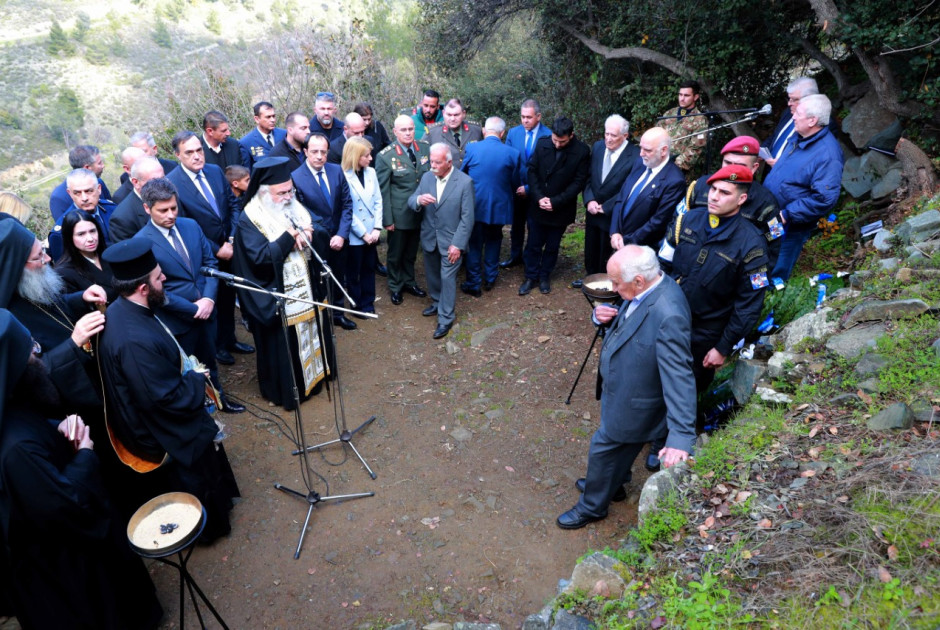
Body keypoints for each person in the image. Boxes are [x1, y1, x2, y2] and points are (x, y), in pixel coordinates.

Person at [0, 309, 163, 630]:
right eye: (31, 348)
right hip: (65, 568)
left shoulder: (15, 404)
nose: (38, 352)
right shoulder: (16, 447)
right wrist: (84, 453)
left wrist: (56, 431)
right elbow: (65, 507)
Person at [98, 238, 240, 542]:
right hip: (165, 431)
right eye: (159, 276)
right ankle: (206, 529)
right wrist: (197, 379)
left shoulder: (131, 309)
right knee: (197, 480)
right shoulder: (132, 341)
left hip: (169, 415)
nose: (164, 279)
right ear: (143, 288)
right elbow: (162, 398)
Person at [557, 245, 696, 529]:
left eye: (616, 283)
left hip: (635, 404)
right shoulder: (649, 287)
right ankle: (614, 484)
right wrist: (602, 317)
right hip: (622, 392)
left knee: (603, 448)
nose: (612, 287)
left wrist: (681, 435)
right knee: (621, 449)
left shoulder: (669, 314)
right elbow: (633, 316)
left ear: (638, 281)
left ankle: (592, 506)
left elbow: (680, 376)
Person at [651, 164, 770, 470]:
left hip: (705, 332)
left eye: (725, 192)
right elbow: (663, 263)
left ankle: (665, 440)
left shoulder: (751, 244)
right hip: (668, 316)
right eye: (714, 189)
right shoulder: (687, 219)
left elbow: (749, 306)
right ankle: (648, 426)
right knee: (652, 375)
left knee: (686, 386)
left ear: (741, 199)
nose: (714, 196)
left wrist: (723, 347)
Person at [231, 157, 334, 410]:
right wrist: (289, 237)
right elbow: (260, 258)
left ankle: (317, 378)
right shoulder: (250, 218)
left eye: (291, 190)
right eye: (282, 192)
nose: (289, 196)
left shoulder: (294, 205)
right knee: (284, 348)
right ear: (265, 193)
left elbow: (319, 224)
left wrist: (311, 231)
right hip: (278, 298)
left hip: (308, 289)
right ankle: (289, 391)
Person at [135, 177, 245, 414]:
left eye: (173, 208)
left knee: (210, 362)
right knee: (187, 371)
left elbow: (210, 263)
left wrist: (208, 300)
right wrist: (193, 308)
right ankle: (197, 411)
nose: (170, 215)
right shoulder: (141, 243)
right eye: (163, 210)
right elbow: (155, 292)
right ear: (147, 209)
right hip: (178, 320)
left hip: (207, 311)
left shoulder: (191, 226)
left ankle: (219, 399)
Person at [166, 130, 254, 365]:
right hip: (205, 255)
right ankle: (217, 347)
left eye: (199, 150)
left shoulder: (215, 171)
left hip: (231, 247)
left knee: (229, 298)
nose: (197, 156)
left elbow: (233, 205)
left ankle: (230, 339)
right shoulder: (173, 184)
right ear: (178, 155)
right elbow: (183, 226)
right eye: (189, 152)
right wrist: (216, 249)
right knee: (212, 300)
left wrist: (233, 238)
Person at [763, 94, 844, 281]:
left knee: (776, 267)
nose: (793, 117)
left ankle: (771, 306)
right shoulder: (799, 137)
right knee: (762, 259)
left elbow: (825, 198)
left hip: (788, 224)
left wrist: (788, 214)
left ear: (813, 120)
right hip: (771, 214)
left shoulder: (828, 154)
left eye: (798, 113)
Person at [680, 136, 782, 267]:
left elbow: (774, 243)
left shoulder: (766, 203)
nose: (732, 170)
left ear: (754, 167)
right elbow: (677, 222)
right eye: (727, 163)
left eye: (740, 166)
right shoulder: (700, 186)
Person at [407, 143, 475, 339]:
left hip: (452, 242)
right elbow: (412, 200)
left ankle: (445, 318)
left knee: (447, 278)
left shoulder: (464, 182)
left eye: (437, 162)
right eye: (431, 161)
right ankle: (437, 302)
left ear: (449, 162)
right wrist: (419, 200)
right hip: (429, 238)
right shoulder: (427, 178)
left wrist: (458, 245)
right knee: (432, 275)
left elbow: (467, 218)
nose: (432, 166)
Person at [292, 132, 357, 331]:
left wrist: (341, 234)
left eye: (323, 152)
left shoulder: (336, 171)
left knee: (338, 276)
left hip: (339, 236)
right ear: (305, 152)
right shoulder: (295, 177)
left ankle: (338, 313)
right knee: (317, 278)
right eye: (314, 152)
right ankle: (320, 316)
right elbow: (301, 211)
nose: (319, 156)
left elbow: (347, 204)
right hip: (316, 239)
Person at [520, 115, 590, 295]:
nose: (557, 144)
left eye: (562, 141)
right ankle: (530, 276)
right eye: (555, 140)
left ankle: (545, 276)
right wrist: (538, 197)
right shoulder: (543, 143)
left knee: (552, 246)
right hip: (538, 204)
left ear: (571, 135)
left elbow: (578, 182)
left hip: (561, 208)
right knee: (534, 243)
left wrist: (556, 201)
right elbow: (532, 171)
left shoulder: (582, 151)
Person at [460, 116, 522, 295]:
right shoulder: (512, 153)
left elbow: (462, 174)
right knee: (494, 241)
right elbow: (515, 182)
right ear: (502, 133)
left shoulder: (472, 148)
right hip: (499, 207)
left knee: (474, 244)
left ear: (484, 131)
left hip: (476, 206)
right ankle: (490, 278)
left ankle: (473, 283)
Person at [578, 114, 639, 286]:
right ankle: (590, 278)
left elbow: (629, 188)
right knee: (591, 247)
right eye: (606, 134)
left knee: (609, 251)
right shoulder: (597, 147)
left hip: (614, 213)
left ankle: (608, 282)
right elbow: (588, 177)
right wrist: (589, 200)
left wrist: (607, 207)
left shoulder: (634, 156)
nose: (608, 139)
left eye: (613, 135)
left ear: (625, 136)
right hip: (593, 210)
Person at [376, 115, 431, 306]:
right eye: (404, 130)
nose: (408, 133)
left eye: (410, 129)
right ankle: (395, 286)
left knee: (411, 252)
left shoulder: (424, 148)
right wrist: (387, 220)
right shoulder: (385, 156)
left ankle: (409, 282)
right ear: (395, 131)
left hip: (420, 212)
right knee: (395, 253)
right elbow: (383, 191)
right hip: (399, 214)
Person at [608, 127, 686, 251]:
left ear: (663, 151)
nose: (641, 153)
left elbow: (658, 222)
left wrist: (627, 241)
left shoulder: (674, 181)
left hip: (642, 249)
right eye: (641, 148)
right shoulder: (640, 163)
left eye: (647, 150)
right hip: (619, 241)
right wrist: (614, 231)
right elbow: (622, 197)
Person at [501, 99, 552, 269]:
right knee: (516, 225)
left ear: (538, 116)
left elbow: (548, 168)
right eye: (522, 117)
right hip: (515, 189)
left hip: (536, 191)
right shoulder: (513, 133)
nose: (525, 120)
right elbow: (507, 160)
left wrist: (529, 189)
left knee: (533, 226)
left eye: (529, 117)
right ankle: (515, 256)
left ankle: (531, 258)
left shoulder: (548, 135)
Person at [342, 136, 382, 317]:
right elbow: (347, 209)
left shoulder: (371, 172)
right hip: (355, 234)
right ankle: (356, 304)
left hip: (372, 231)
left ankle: (368, 301)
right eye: (366, 155)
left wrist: (377, 229)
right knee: (354, 271)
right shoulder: (343, 176)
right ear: (356, 156)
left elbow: (378, 201)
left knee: (369, 268)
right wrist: (364, 233)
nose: (370, 158)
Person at [48, 168, 117, 261]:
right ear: (70, 194)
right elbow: (64, 270)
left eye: (89, 191)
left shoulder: (112, 209)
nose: (84, 198)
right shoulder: (61, 233)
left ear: (99, 189)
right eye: (77, 193)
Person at [54, 210, 118, 302]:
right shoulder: (64, 273)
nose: (90, 239)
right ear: (69, 237)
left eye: (92, 231)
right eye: (81, 234)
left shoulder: (112, 251)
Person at [762, 77, 819, 168]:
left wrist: (785, 165)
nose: (789, 103)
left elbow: (813, 159)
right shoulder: (788, 113)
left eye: (794, 99)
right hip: (769, 172)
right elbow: (776, 136)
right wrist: (759, 152)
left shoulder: (820, 123)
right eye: (789, 99)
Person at [109, 156, 166, 243]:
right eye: (154, 181)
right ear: (136, 182)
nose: (161, 185)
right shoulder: (122, 218)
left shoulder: (170, 197)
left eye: (163, 179)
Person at [49, 145, 112, 221]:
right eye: (99, 163)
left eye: (89, 191)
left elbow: (110, 211)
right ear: (87, 168)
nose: (103, 166)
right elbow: (66, 228)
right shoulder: (59, 198)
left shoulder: (98, 182)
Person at [659, 80, 707, 173]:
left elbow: (695, 150)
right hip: (659, 162)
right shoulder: (670, 113)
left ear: (695, 97)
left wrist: (672, 166)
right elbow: (656, 136)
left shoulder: (700, 120)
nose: (682, 98)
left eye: (686, 95)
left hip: (677, 170)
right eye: (680, 95)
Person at [425, 98, 483, 168]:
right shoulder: (432, 133)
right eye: (449, 115)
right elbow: (424, 160)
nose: (452, 119)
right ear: (443, 113)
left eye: (456, 115)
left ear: (463, 114)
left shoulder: (476, 130)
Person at [238, 101, 287, 168]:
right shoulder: (246, 142)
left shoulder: (284, 134)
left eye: (273, 116)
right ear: (257, 119)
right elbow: (247, 171)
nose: (272, 120)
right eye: (268, 117)